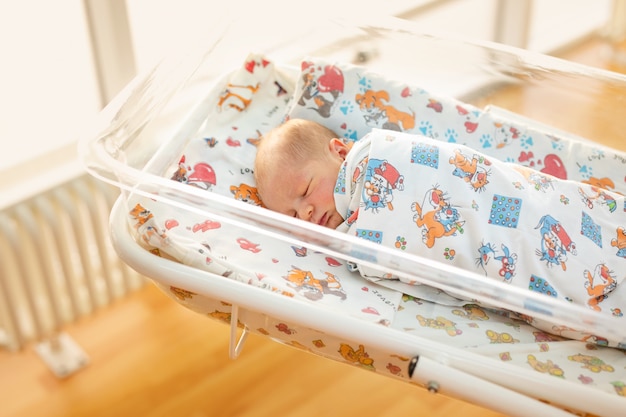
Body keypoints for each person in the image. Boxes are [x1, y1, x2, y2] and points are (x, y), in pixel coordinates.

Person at [255, 118, 626, 347]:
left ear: (339, 151)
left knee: (558, 230)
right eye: (289, 214)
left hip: (528, 207)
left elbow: (458, 174)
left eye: (304, 191)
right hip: (512, 273)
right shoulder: (349, 234)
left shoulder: (382, 156)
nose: (303, 213)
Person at [254, 118, 349, 229]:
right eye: (294, 216)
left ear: (340, 153)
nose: (304, 214)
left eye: (306, 191)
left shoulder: (367, 161)